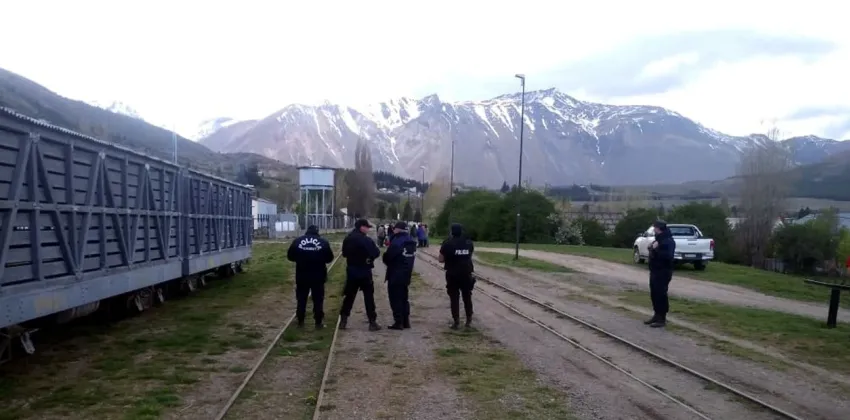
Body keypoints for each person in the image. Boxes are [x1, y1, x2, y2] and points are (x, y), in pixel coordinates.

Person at [286, 225, 335, 328]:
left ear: (307, 231)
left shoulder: (297, 241)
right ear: (317, 232)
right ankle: (318, 322)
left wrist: (301, 259)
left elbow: (290, 256)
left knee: (301, 299)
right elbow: (329, 258)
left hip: (302, 275)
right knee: (318, 300)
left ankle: (300, 321)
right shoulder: (323, 242)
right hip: (318, 276)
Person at [340, 219, 382, 331]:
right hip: (364, 271)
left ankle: (343, 320)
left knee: (349, 296)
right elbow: (376, 253)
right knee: (368, 297)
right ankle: (372, 322)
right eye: (366, 227)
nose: (368, 229)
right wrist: (369, 257)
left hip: (352, 271)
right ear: (361, 227)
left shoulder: (348, 239)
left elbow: (344, 254)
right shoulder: (366, 240)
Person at [439, 223, 475, 329]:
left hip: (452, 273)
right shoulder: (468, 242)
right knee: (467, 296)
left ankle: (456, 321)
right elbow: (470, 255)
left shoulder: (447, 243)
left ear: (452, 232)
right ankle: (469, 320)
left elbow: (441, 259)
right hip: (466, 272)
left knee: (454, 297)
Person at [383, 221, 417, 330]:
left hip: (395, 273)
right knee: (404, 298)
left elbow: (388, 257)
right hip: (407, 273)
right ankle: (406, 321)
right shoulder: (411, 241)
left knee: (395, 298)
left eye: (394, 228)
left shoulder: (397, 241)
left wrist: (385, 257)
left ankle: (398, 322)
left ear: (397, 230)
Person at [645, 220, 676, 328]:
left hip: (663, 271)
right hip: (655, 270)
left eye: (655, 227)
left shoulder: (668, 240)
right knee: (654, 294)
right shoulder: (659, 239)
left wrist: (656, 249)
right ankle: (656, 315)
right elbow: (653, 251)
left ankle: (662, 318)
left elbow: (667, 256)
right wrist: (652, 248)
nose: (654, 229)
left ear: (659, 228)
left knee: (661, 294)